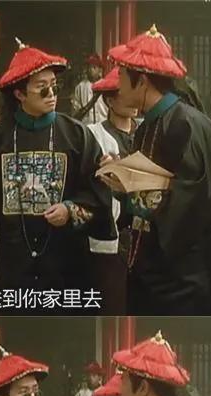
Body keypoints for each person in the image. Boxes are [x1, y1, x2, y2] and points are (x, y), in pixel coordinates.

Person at [101, 26, 211, 316]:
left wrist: (131, 191)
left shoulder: (187, 128)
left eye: (122, 76)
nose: (117, 83)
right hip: (152, 274)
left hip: (184, 284)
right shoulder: (148, 127)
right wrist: (122, 176)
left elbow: (188, 212)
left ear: (142, 81)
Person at [0, 40, 115, 315]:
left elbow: (98, 191)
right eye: (42, 88)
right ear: (19, 94)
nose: (52, 94)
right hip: (15, 258)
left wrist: (70, 209)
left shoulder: (77, 136)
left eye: (54, 86)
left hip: (66, 258)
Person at [87, 67, 139, 314]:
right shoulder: (94, 136)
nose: (132, 101)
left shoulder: (147, 132)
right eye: (124, 95)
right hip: (112, 230)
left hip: (142, 231)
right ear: (109, 101)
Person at [72, 54, 109, 125]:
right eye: (89, 67)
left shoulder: (106, 86)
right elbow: (75, 109)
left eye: (94, 67)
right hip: (86, 126)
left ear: (100, 70)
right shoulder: (80, 87)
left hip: (103, 125)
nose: (91, 70)